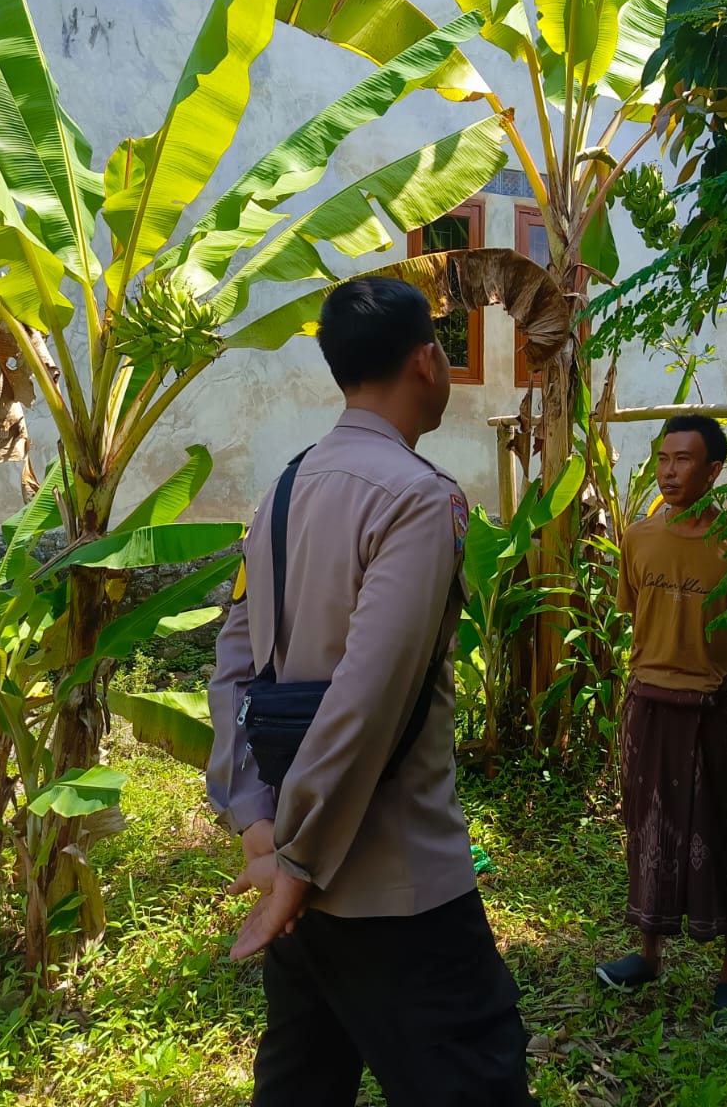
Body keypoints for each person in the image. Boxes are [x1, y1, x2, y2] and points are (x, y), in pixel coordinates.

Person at [205, 276, 536, 1107]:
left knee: (303, 1084)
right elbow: (369, 697)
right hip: (393, 883)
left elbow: (234, 667)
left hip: (293, 866)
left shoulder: (281, 492)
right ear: (428, 361)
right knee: (475, 1081)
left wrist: (256, 821)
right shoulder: (421, 499)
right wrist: (301, 865)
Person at [595, 414, 727, 1030]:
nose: (668, 470)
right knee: (649, 831)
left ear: (714, 469)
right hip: (647, 706)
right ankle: (648, 954)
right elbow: (635, 617)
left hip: (709, 710)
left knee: (722, 834)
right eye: (663, 458)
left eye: (684, 460)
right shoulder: (638, 538)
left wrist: (701, 671)